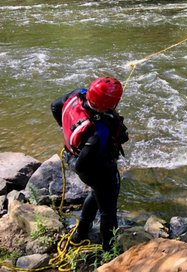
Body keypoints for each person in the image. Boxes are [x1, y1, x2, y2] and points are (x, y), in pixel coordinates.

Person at [51, 76, 129, 251]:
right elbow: (81, 165)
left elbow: (55, 106)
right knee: (108, 209)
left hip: (74, 155)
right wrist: (101, 165)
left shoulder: (77, 94)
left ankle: (81, 234)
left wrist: (67, 133)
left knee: (96, 193)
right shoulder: (98, 132)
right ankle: (109, 250)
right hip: (92, 166)